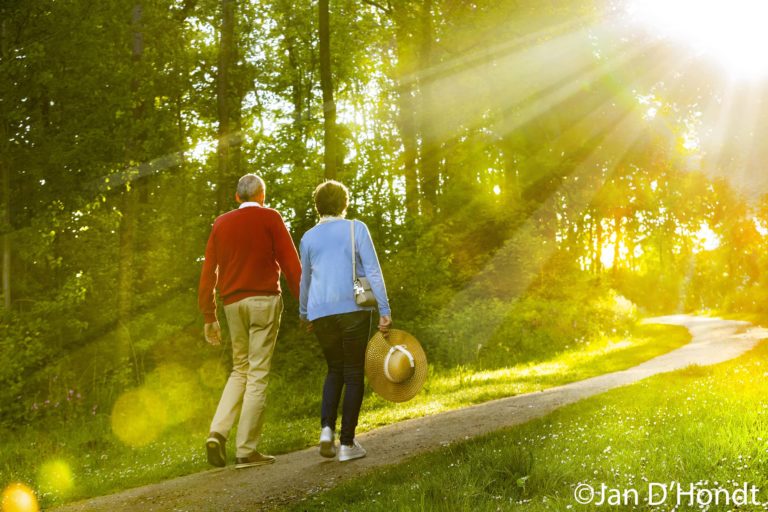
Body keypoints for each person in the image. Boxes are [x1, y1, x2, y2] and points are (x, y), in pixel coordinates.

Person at [198, 174, 301, 469]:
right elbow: (291, 265)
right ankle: (246, 450)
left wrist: (209, 314)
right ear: (262, 195)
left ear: (236, 198)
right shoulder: (270, 217)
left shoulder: (220, 224)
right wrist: (306, 305)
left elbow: (209, 272)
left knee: (239, 369)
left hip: (232, 304)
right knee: (256, 373)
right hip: (264, 301)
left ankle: (217, 433)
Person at [299, 180, 392, 462]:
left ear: (318, 207)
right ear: (344, 204)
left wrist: (305, 313)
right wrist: (385, 309)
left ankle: (326, 430)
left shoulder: (308, 238)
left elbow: (305, 280)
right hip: (353, 308)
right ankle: (347, 444)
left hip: (320, 312)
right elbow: (373, 272)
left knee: (334, 370)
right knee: (353, 373)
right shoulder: (356, 228)